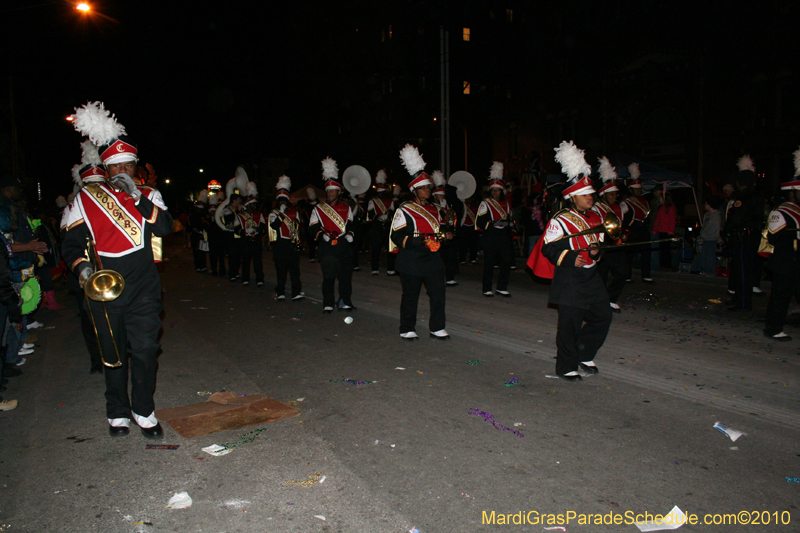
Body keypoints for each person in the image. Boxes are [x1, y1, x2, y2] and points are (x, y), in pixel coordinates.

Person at [63, 101, 173, 438]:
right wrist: (83, 270)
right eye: (118, 167)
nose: (124, 171)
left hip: (144, 289)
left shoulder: (149, 194)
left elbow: (165, 229)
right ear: (107, 170)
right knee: (113, 355)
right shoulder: (87, 199)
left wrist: (137, 197)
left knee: (144, 351)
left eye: (129, 165)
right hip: (105, 288)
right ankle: (117, 412)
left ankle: (143, 410)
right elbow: (70, 245)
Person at [540, 141, 612, 382]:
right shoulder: (559, 220)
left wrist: (595, 254)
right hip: (569, 278)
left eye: (591, 193)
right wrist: (572, 257)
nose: (590, 197)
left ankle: (584, 352)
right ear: (573, 197)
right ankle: (566, 366)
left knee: (603, 315)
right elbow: (548, 248)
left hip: (591, 278)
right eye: (585, 194)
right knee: (569, 325)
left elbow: (598, 247)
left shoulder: (595, 217)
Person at [391, 144, 452, 340]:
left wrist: (446, 234)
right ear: (415, 190)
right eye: (424, 188)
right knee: (411, 295)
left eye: (428, 187)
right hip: (412, 258)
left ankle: (437, 327)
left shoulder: (435, 209)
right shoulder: (405, 209)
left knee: (438, 294)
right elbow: (397, 236)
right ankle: (407, 328)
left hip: (432, 258)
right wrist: (422, 242)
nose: (428, 190)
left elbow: (439, 229)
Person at [308, 158, 355, 313]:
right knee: (328, 277)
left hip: (343, 246)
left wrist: (350, 235)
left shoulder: (346, 208)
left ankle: (344, 301)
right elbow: (313, 227)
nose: (330, 193)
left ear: (339, 192)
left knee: (345, 278)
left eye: (333, 190)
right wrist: (322, 236)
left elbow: (351, 225)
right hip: (327, 246)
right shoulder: (318, 209)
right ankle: (328, 303)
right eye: (328, 191)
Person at [763, 151, 800, 341]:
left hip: (796, 261)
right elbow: (773, 237)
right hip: (784, 261)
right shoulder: (781, 212)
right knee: (780, 296)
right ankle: (773, 327)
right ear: (792, 192)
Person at [724, 155, 764, 311]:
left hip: (743, 236)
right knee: (745, 269)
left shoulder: (744, 196)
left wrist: (727, 230)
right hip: (752, 235)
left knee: (741, 270)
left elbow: (737, 217)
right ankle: (739, 299)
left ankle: (742, 302)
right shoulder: (758, 196)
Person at [593, 157, 630, 313]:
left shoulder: (618, 208)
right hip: (603, 245)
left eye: (616, 194)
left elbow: (622, 226)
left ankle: (611, 298)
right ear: (604, 194)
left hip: (616, 246)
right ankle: (601, 302)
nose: (615, 197)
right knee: (601, 276)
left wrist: (624, 234)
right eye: (612, 194)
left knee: (623, 272)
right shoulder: (596, 208)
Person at [476, 162, 514, 297]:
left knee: (506, 261)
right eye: (493, 190)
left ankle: (501, 287)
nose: (495, 192)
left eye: (497, 190)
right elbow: (479, 221)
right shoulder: (485, 203)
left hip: (503, 236)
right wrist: (492, 223)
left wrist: (508, 224)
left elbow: (509, 218)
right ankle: (487, 288)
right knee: (489, 263)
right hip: (491, 236)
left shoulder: (506, 203)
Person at [268, 175, 303, 300]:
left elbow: (298, 227)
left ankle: (296, 292)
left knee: (294, 271)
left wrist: (298, 241)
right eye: (280, 201)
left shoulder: (295, 212)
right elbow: (274, 225)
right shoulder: (274, 213)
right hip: (280, 244)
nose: (283, 203)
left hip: (292, 244)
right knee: (281, 271)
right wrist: (281, 214)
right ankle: (280, 291)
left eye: (284, 200)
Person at [621, 163, 653, 282]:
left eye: (640, 189)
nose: (639, 191)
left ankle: (646, 275)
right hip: (633, 230)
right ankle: (627, 276)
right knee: (629, 255)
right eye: (636, 189)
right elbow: (623, 219)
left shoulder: (645, 201)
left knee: (646, 253)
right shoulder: (626, 202)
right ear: (631, 190)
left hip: (643, 230)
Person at [431, 170, 459, 286]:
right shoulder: (431, 206)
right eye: (439, 194)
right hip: (436, 233)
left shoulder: (448, 206)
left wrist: (452, 229)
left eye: (443, 194)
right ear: (434, 195)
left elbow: (452, 221)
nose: (442, 196)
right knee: (436, 257)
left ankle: (450, 277)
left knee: (450, 256)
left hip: (447, 233)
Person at [367, 170, 396, 275]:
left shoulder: (390, 201)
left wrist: (389, 218)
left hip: (387, 226)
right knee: (376, 248)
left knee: (390, 248)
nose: (380, 194)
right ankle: (375, 269)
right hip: (377, 226)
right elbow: (370, 214)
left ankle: (391, 269)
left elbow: (393, 213)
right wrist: (378, 217)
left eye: (382, 192)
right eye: (379, 192)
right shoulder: (373, 200)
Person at [237, 183, 265, 287]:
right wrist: (244, 231)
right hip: (246, 239)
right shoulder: (240, 215)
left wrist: (259, 230)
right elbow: (236, 229)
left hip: (256, 238)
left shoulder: (259, 214)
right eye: (253, 204)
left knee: (258, 261)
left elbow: (263, 228)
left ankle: (259, 279)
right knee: (245, 260)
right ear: (248, 204)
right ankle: (245, 278)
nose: (255, 206)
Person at [691, 197, 722, 276]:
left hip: (711, 238)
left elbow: (714, 228)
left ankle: (711, 271)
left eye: (705, 204)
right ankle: (704, 270)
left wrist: (705, 234)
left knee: (709, 255)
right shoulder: (707, 214)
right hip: (705, 238)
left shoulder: (715, 215)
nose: (704, 206)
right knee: (704, 255)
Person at [652, 190, 677, 268]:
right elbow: (657, 220)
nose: (659, 200)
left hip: (667, 231)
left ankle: (667, 264)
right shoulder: (661, 208)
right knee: (662, 249)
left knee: (666, 249)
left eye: (660, 198)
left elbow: (672, 220)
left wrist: (670, 231)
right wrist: (655, 230)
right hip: (661, 230)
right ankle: (663, 264)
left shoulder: (670, 208)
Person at [189, 191, 210, 272]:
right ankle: (198, 266)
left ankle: (203, 265)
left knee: (202, 251)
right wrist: (196, 231)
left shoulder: (203, 214)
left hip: (202, 235)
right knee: (196, 250)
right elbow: (191, 225)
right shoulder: (192, 215)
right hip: (196, 235)